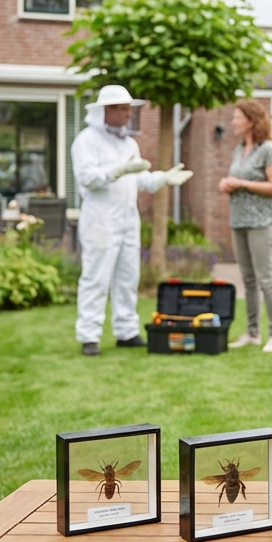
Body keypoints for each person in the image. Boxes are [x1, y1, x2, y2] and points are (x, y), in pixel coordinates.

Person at [71, 85, 193, 356]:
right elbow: (87, 178)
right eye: (124, 109)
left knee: (128, 277)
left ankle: (127, 332)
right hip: (100, 222)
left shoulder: (129, 143)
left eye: (129, 109)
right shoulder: (86, 140)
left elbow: (140, 178)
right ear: (108, 110)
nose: (129, 114)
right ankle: (89, 336)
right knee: (96, 278)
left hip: (128, 219)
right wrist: (118, 170)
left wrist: (162, 178)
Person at [218, 100, 272, 353]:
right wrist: (227, 184)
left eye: (237, 117)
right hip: (239, 221)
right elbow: (238, 179)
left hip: (263, 223)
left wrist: (240, 184)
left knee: (265, 278)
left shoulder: (269, 149)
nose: (233, 121)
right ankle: (252, 333)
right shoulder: (239, 149)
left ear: (251, 120)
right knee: (248, 280)